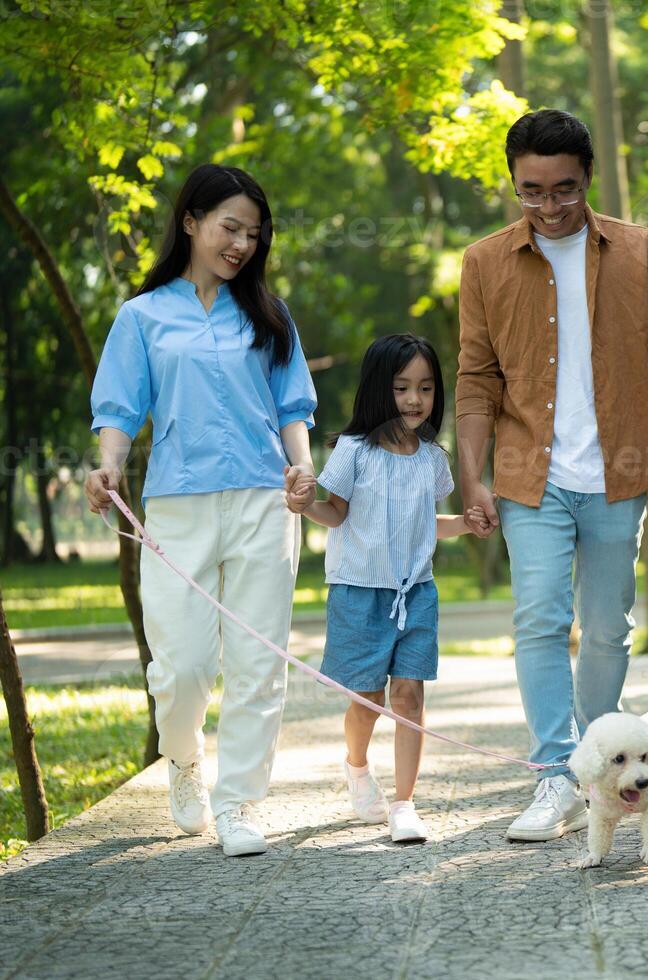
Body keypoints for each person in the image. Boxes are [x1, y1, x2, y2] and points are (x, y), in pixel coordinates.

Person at [456, 109, 648, 842]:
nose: (548, 207)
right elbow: (476, 375)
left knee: (608, 627)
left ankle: (602, 770)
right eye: (531, 192)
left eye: (564, 190)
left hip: (620, 468)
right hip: (527, 472)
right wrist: (471, 477)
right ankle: (555, 777)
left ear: (589, 177)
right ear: (513, 182)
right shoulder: (483, 262)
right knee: (539, 619)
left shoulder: (637, 250)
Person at [84, 164, 318, 857]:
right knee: (182, 665)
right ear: (190, 221)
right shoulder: (143, 316)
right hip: (179, 507)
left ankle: (240, 802)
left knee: (257, 661)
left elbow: (292, 407)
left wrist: (303, 468)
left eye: (254, 233)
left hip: (263, 502)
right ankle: (183, 759)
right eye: (230, 227)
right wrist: (109, 466)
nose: (242, 244)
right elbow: (119, 407)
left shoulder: (269, 317)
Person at [285, 334, 481, 844]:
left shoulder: (433, 460)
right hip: (358, 592)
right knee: (369, 698)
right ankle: (355, 765)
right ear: (378, 389)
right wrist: (303, 505)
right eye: (401, 388)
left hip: (417, 592)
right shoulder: (353, 452)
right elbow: (336, 513)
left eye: (425, 388)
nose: (414, 400)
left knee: (410, 697)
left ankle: (404, 804)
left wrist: (466, 522)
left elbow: (424, 522)